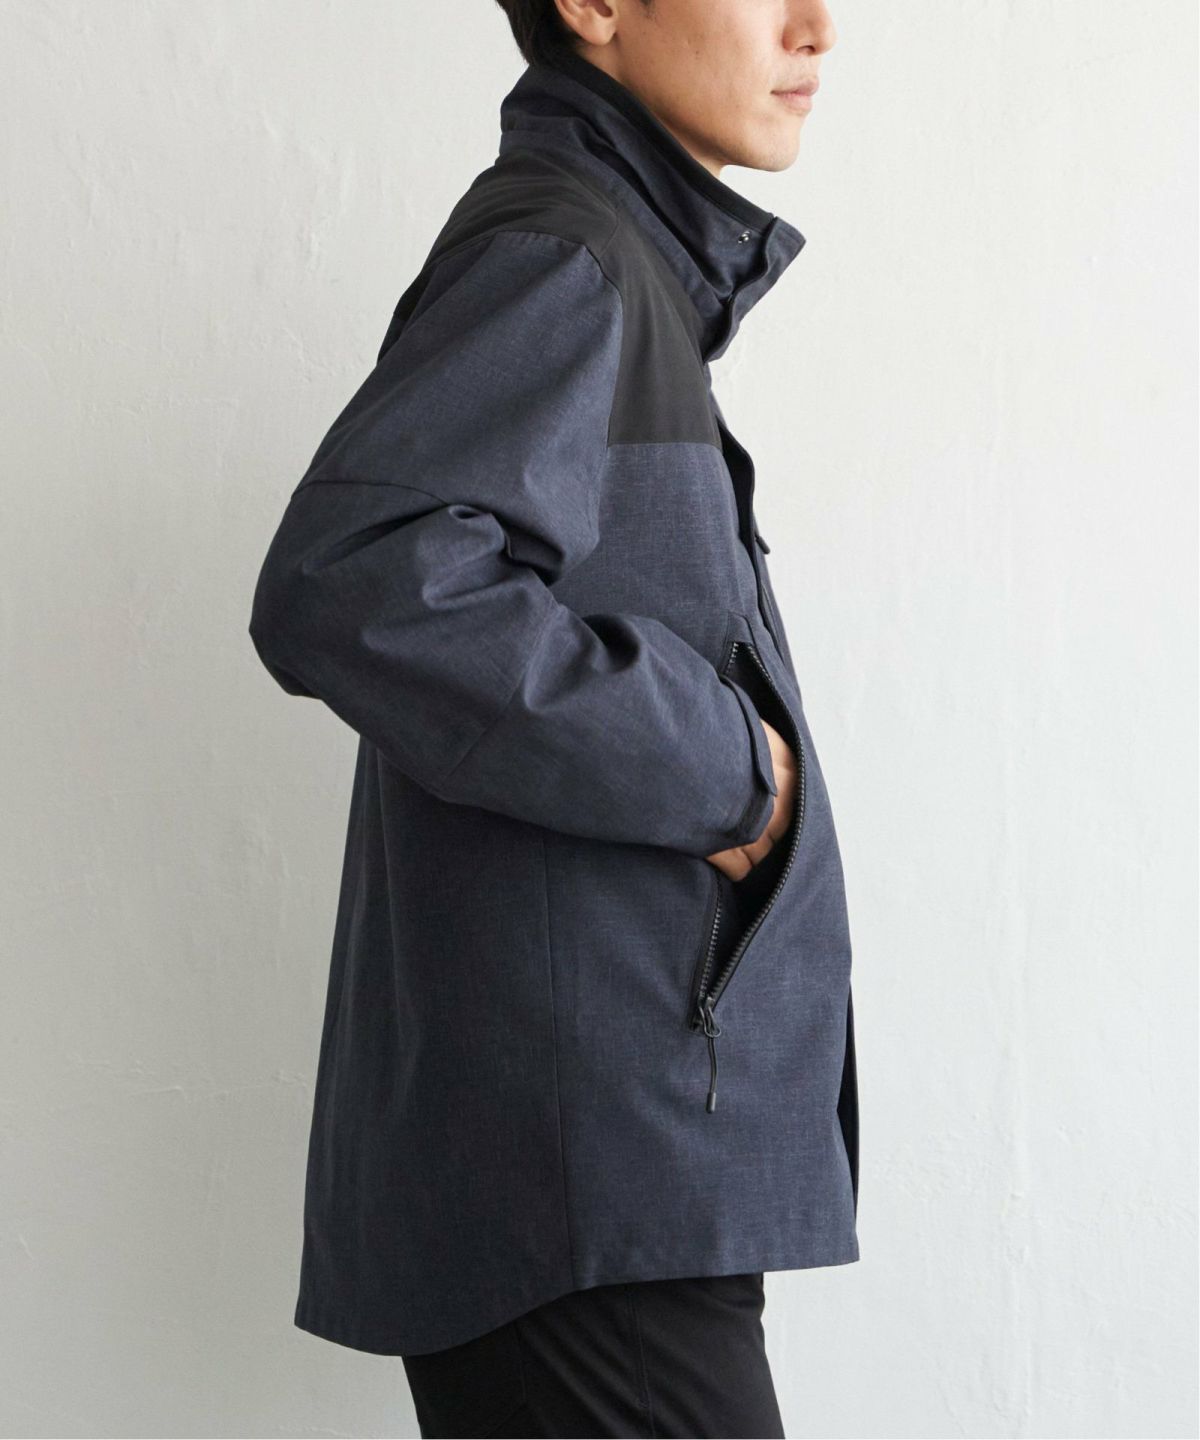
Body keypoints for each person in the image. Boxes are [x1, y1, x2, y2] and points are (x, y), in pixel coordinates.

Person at [248, 0, 857, 1433]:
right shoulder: (567, 256)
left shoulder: (618, 264)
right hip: (587, 1194)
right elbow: (355, 579)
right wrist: (731, 771)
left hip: (603, 1183)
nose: (817, 27)